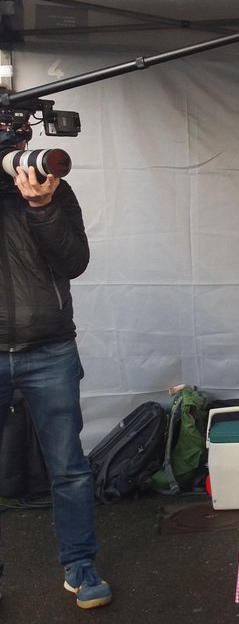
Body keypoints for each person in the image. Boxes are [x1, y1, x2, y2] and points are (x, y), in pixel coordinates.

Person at [0, 132, 109, 608]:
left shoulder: (50, 186)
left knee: (69, 468)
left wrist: (41, 207)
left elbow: (75, 260)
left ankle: (80, 566)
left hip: (49, 347)